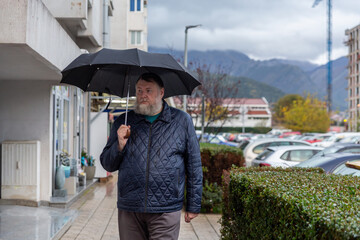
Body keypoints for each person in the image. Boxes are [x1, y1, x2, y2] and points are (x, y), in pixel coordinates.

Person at [100, 72, 203, 240]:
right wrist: (119, 144)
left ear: (161, 93)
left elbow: (194, 165)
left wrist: (193, 205)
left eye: (148, 90)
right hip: (130, 207)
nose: (143, 95)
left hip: (166, 207)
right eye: (139, 90)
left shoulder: (181, 121)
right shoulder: (123, 122)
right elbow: (107, 164)